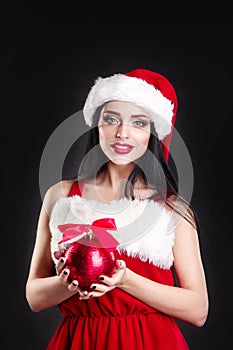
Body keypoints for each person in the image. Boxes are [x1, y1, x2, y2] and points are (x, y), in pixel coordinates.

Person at [25, 68, 209, 349]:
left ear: (152, 134)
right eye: (111, 119)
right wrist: (69, 283)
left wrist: (125, 280)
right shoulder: (61, 196)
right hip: (79, 340)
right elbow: (35, 297)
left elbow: (198, 310)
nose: (122, 133)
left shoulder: (171, 210)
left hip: (151, 341)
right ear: (97, 125)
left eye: (138, 123)